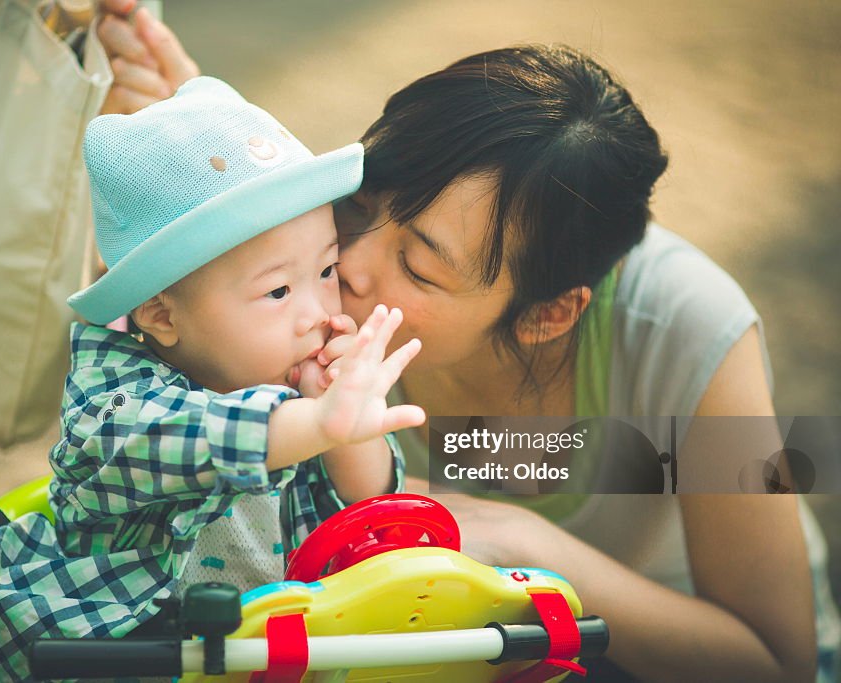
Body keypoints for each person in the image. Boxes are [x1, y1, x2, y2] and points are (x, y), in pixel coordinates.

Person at [96, 4, 840, 682]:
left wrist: (520, 544)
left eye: (418, 265)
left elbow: (777, 662)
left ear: (547, 316)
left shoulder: (687, 327)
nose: (348, 266)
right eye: (357, 205)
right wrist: (203, 174)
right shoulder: (311, 273)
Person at [0, 75, 424, 683]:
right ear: (162, 315)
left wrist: (349, 429)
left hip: (274, 650)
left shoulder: (301, 389)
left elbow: (366, 513)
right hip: (121, 649)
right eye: (278, 289)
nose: (320, 312)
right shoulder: (112, 400)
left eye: (326, 269)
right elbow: (184, 436)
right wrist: (314, 422)